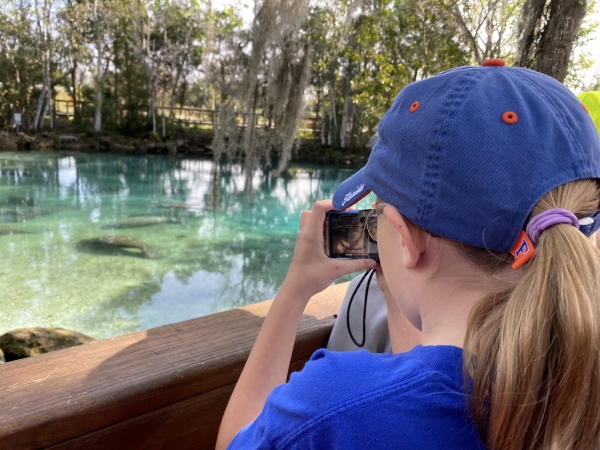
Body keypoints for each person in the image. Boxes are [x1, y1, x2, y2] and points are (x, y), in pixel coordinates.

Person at [216, 59, 600, 449]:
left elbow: (236, 441)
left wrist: (295, 288)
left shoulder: (332, 406)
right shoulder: (579, 383)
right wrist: (400, 286)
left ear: (403, 237)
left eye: (377, 214)